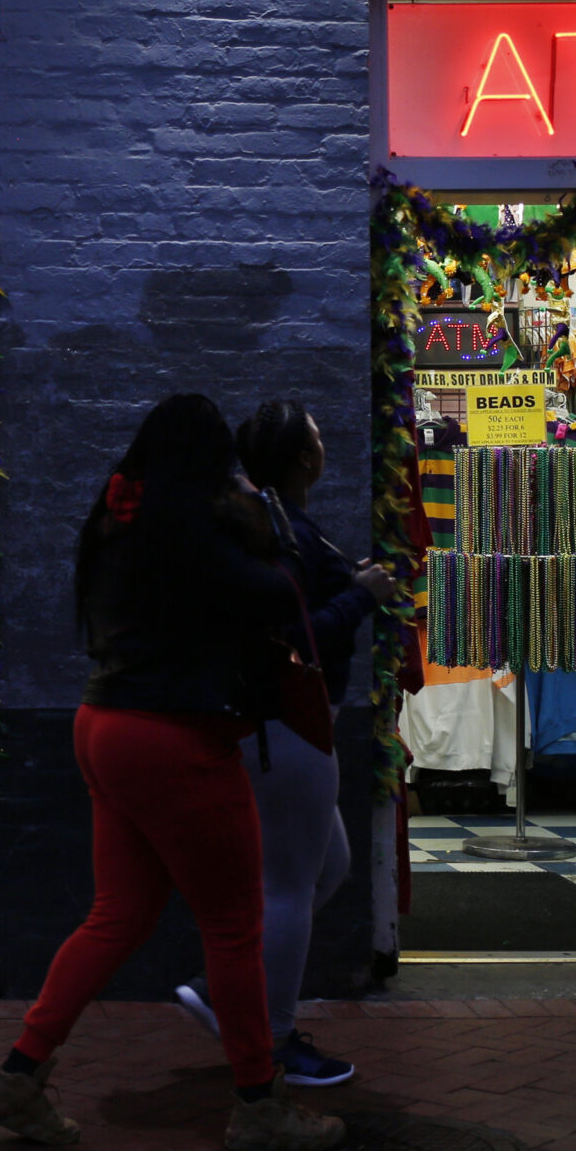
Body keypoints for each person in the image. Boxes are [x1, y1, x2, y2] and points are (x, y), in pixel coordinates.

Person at [0, 394, 347, 1151]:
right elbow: (281, 596)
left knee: (117, 916)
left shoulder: (119, 521)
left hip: (102, 726)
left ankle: (18, 1074)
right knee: (237, 925)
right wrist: (267, 520)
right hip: (177, 737)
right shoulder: (198, 529)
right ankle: (259, 1102)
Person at [171, 400, 390, 1088]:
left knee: (329, 867)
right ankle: (274, 1036)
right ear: (303, 457)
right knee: (292, 883)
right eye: (319, 434)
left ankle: (228, 988)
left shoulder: (279, 523)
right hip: (288, 723)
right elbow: (297, 631)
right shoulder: (279, 528)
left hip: (292, 725)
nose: (326, 443)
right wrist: (362, 594)